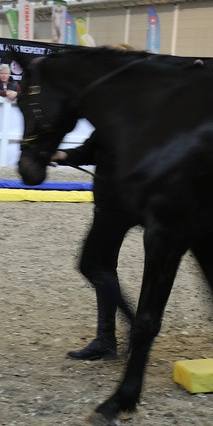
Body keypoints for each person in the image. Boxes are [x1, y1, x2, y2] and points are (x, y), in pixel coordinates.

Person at [52, 132, 135, 360]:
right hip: (120, 203)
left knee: (91, 264)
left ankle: (132, 327)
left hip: (115, 205)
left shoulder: (119, 115)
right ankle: (107, 338)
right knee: (104, 268)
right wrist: (61, 155)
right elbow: (92, 150)